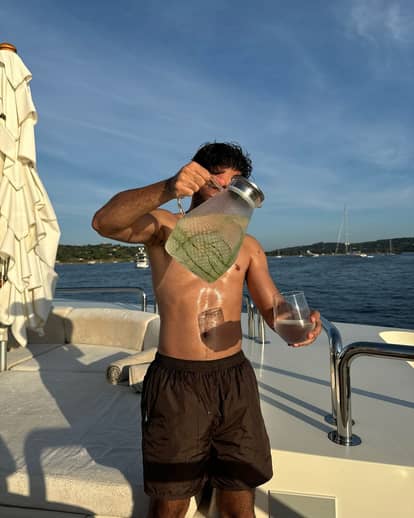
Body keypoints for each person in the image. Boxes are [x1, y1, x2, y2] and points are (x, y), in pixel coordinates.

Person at [92, 142, 322, 518]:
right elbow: (105, 222)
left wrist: (298, 323)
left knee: (239, 500)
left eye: (236, 185)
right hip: (179, 381)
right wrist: (168, 186)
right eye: (218, 182)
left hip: (234, 380)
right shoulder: (166, 228)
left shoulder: (249, 247)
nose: (227, 192)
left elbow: (273, 308)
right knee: (169, 503)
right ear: (197, 179)